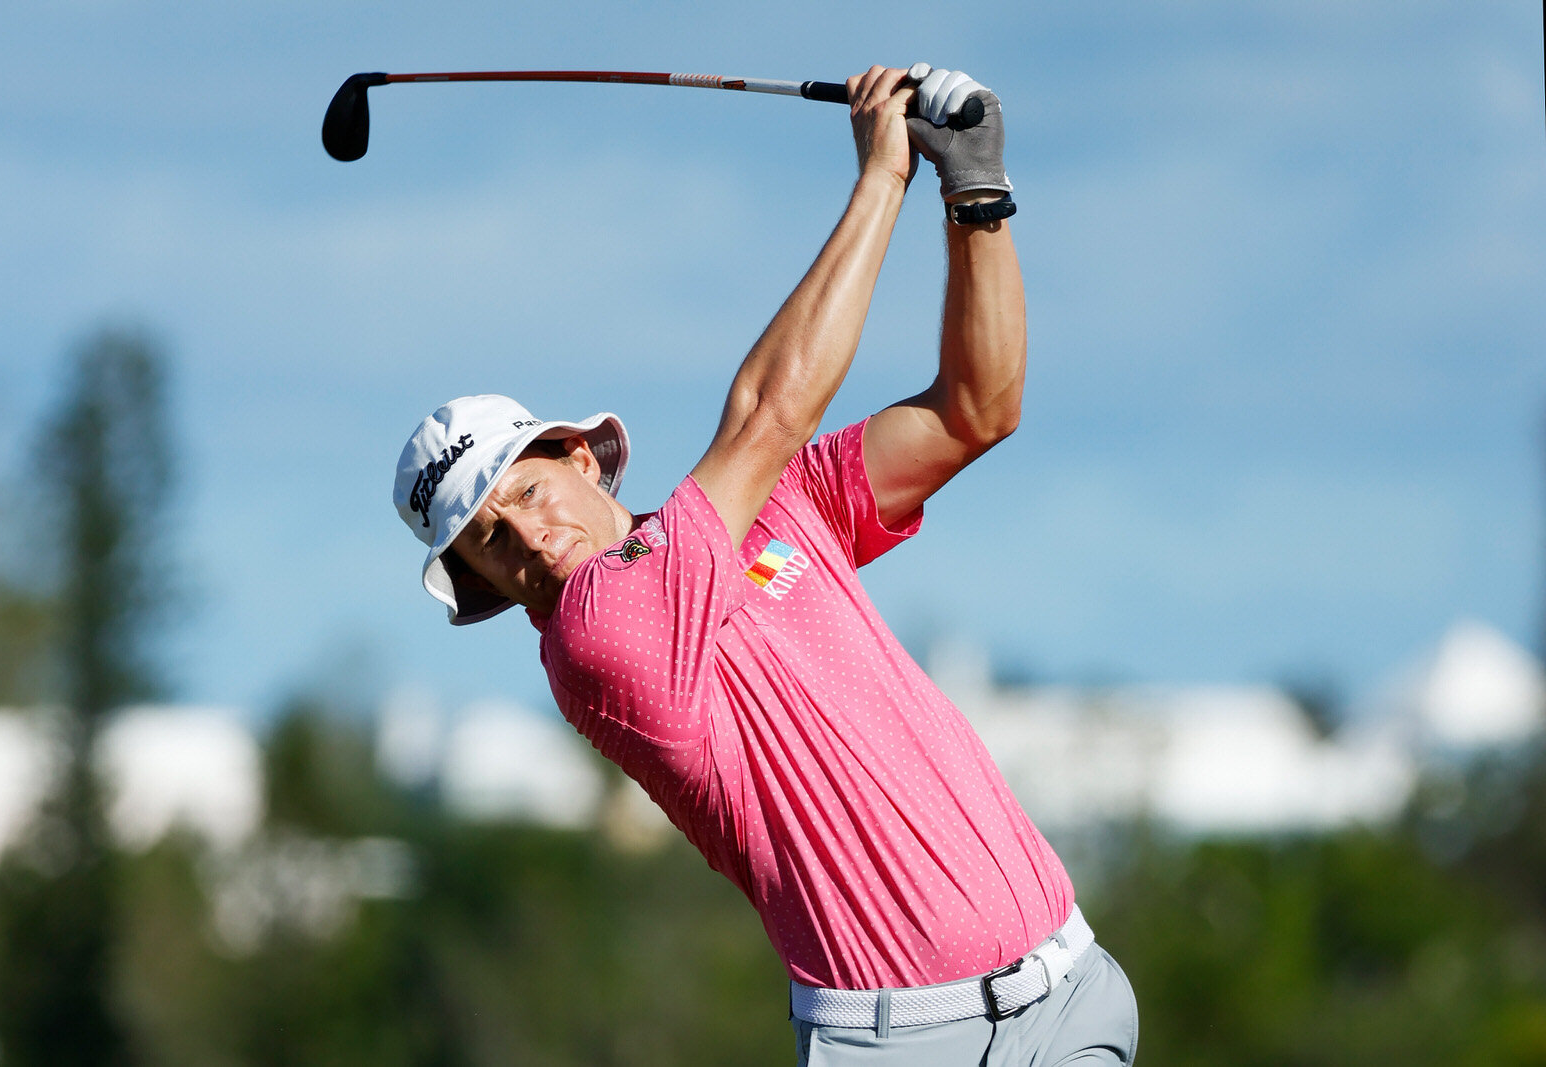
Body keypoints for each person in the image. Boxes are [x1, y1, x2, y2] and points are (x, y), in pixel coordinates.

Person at [393, 64, 1138, 1066]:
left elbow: (975, 409)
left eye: (523, 492)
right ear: (483, 584)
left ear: (577, 456)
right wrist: (883, 179)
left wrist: (976, 194)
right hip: (904, 1044)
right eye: (486, 538)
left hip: (1072, 987)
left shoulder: (775, 506)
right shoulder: (595, 639)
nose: (523, 536)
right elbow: (769, 413)